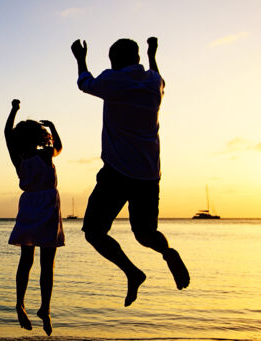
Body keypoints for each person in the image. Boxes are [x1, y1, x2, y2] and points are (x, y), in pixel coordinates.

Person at [71, 36, 190, 307]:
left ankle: (132, 272)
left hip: (116, 172)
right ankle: (167, 252)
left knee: (94, 232)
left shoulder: (112, 81)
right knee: (146, 233)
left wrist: (80, 58)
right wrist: (152, 53)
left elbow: (83, 82)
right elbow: (158, 73)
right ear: (138, 59)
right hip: (149, 175)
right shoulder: (153, 83)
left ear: (113, 60)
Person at [4, 99, 64, 336]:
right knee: (47, 263)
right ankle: (45, 309)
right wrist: (53, 127)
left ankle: (20, 303)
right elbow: (60, 145)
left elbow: (6, 133)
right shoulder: (47, 153)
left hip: (30, 204)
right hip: (48, 204)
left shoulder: (18, 157)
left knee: (26, 259)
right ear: (40, 137)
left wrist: (13, 110)